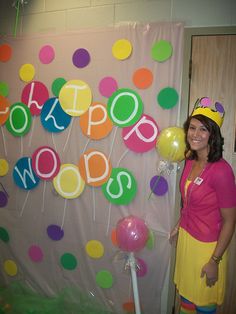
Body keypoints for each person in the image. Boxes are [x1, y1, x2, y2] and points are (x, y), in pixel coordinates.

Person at [169, 97, 236, 314]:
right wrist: (180, 224)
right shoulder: (190, 160)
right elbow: (190, 201)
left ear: (213, 136)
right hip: (187, 241)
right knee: (186, 299)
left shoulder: (222, 171)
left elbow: (230, 220)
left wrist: (214, 261)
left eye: (203, 130)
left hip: (207, 249)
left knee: (203, 304)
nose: (195, 134)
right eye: (192, 128)